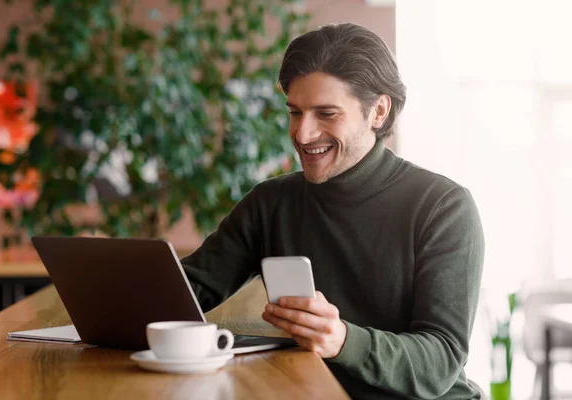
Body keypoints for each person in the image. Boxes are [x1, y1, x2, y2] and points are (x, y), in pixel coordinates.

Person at [181, 23, 484, 399]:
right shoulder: (271, 202)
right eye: (295, 112)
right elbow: (187, 293)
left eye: (326, 114)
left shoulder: (444, 207)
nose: (303, 134)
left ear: (378, 111)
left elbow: (439, 361)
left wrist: (343, 339)